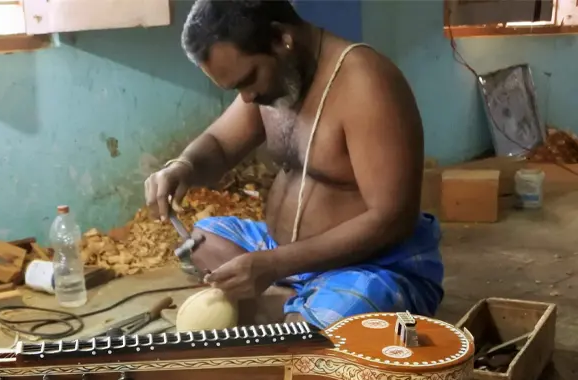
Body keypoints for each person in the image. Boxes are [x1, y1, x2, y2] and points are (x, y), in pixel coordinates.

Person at [144, 0, 443, 329]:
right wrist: (182, 166)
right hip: (283, 252)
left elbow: (392, 219)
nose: (246, 98)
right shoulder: (275, 81)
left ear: (280, 38)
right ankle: (293, 300)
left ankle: (289, 306)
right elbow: (219, 144)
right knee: (201, 241)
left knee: (309, 338)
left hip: (370, 264)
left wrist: (272, 265)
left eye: (248, 79)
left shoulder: (365, 82)